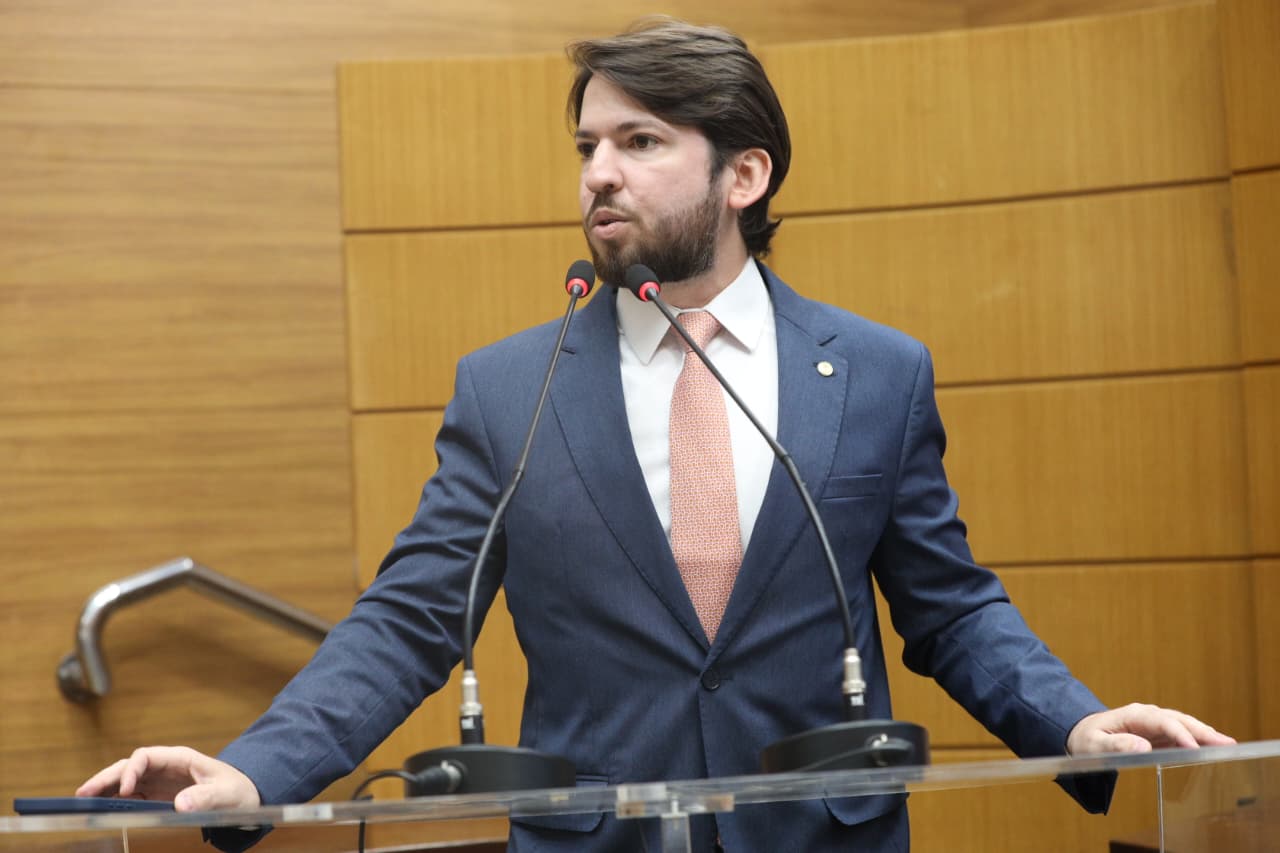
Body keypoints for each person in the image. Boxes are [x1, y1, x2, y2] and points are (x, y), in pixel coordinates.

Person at [78, 18, 1234, 851]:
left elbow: (949, 606)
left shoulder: (875, 374)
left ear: (743, 173)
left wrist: (1073, 717)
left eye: (638, 143)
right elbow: (411, 618)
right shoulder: (508, 389)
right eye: (587, 146)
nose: (598, 174)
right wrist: (255, 770)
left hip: (819, 834)